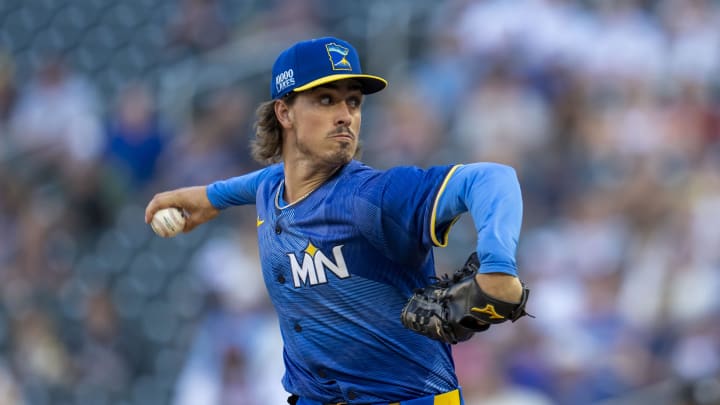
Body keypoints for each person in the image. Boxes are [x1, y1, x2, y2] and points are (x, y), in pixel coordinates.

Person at [145, 36, 528, 405]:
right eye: (325, 100)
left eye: (354, 102)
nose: (345, 115)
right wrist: (208, 198)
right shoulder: (271, 188)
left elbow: (493, 178)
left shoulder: (374, 197)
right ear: (284, 112)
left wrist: (496, 262)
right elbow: (263, 181)